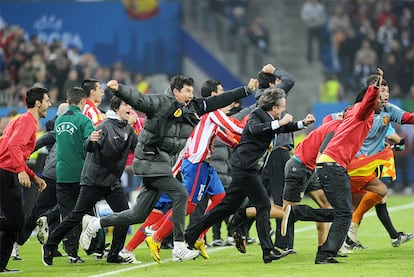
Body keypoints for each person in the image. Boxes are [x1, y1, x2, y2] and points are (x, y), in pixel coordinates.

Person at [79, 75, 259, 262]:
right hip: (150, 161)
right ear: (176, 92)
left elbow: (218, 100)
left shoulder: (193, 107)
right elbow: (140, 99)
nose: (191, 94)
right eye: (187, 91)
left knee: (138, 214)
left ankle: (95, 223)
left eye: (192, 90)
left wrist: (246, 90)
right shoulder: (160, 103)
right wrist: (119, 89)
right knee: (181, 195)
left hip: (163, 164)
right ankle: (179, 246)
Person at [185, 87, 315, 264]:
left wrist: (302, 124)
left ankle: (191, 234)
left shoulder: (270, 118)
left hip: (246, 168)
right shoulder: (257, 115)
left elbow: (282, 128)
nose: (284, 109)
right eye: (282, 106)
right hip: (245, 167)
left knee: (227, 207)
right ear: (274, 107)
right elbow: (256, 130)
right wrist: (281, 123)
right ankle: (268, 251)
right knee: (263, 205)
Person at [143, 79, 245, 262]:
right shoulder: (213, 112)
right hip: (196, 162)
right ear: (214, 95)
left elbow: (224, 135)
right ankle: (156, 236)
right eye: (222, 91)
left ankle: (198, 237)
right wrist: (261, 132)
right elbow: (235, 127)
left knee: (221, 200)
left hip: (205, 164)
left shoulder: (210, 115)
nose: (225, 95)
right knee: (188, 205)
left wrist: (239, 143)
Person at [42, 96, 139, 266]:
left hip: (112, 182)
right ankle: (50, 245)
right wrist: (90, 142)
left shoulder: (128, 130)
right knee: (75, 216)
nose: (130, 108)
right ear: (116, 108)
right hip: (94, 181)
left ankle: (114, 255)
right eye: (126, 105)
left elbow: (139, 150)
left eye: (130, 105)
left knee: (125, 216)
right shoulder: (104, 126)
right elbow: (89, 146)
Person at [311, 68, 383, 264]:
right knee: (344, 212)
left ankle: (326, 250)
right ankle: (325, 254)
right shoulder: (362, 112)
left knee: (342, 210)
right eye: (381, 99)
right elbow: (367, 102)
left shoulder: (352, 112)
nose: (383, 103)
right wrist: (374, 88)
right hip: (332, 165)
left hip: (332, 165)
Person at [0, 86, 51, 273]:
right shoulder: (28, 121)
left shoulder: (22, 120)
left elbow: (13, 152)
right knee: (16, 221)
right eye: (47, 101)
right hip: (6, 172)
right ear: (38, 103)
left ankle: (0, 265)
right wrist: (21, 171)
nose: (49, 104)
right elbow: (13, 146)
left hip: (7, 170)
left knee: (15, 222)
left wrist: (33, 176)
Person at [16, 103, 69, 254]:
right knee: (57, 210)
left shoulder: (54, 128)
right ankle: (19, 239)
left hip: (51, 173)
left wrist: (23, 155)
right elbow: (37, 144)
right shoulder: (63, 129)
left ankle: (49, 245)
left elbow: (38, 144)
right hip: (60, 174)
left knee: (47, 209)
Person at [53, 87, 96, 264]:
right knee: (87, 214)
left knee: (67, 216)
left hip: (62, 174)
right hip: (81, 175)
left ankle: (72, 254)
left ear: (68, 101)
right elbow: (90, 144)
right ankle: (96, 248)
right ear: (83, 102)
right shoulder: (85, 120)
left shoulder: (58, 121)